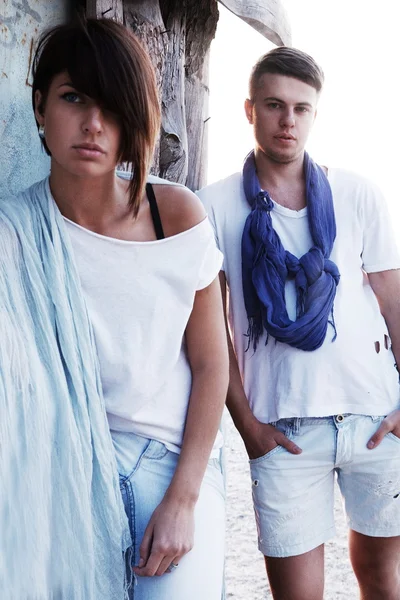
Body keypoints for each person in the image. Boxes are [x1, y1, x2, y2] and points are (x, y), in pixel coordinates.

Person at [0, 18, 228, 600]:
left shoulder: (174, 216)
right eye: (73, 97)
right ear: (40, 109)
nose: (93, 123)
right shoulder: (14, 238)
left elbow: (211, 365)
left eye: (112, 105)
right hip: (56, 475)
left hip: (167, 462)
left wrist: (183, 499)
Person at [198, 47, 400, 600]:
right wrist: (249, 427)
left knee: (385, 583)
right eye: (274, 104)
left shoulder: (358, 194)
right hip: (285, 435)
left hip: (374, 421)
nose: (288, 120)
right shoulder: (212, 207)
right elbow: (210, 336)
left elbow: (393, 302)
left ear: (315, 114)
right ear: (249, 110)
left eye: (302, 108)